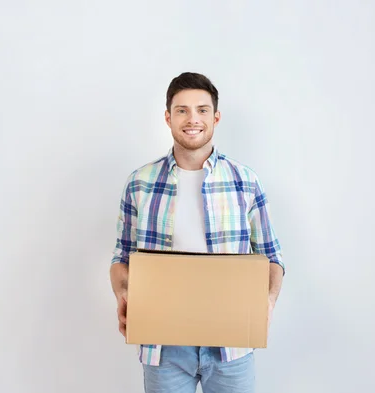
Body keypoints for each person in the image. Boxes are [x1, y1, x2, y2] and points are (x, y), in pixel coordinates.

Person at [109, 72, 284, 393]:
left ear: (216, 117)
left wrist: (267, 302)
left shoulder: (245, 181)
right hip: (163, 346)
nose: (193, 119)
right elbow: (122, 258)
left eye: (202, 110)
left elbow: (271, 256)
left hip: (230, 345)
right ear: (168, 117)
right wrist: (123, 293)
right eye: (182, 110)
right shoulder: (139, 183)